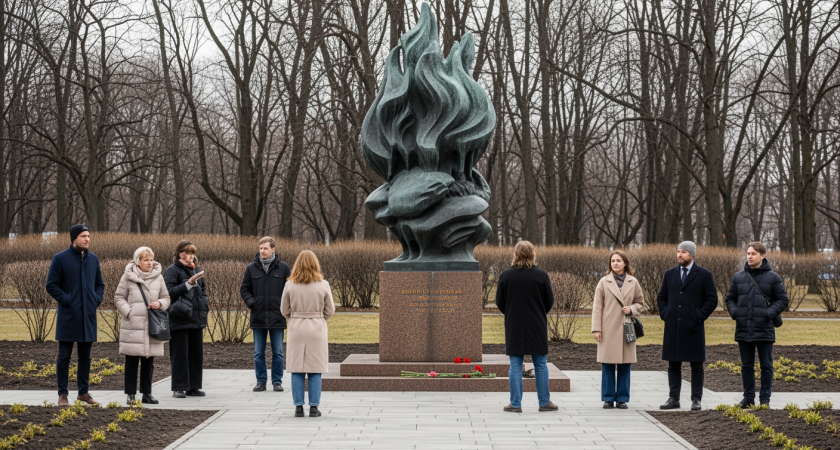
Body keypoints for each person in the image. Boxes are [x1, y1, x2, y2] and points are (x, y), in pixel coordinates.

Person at [46, 224, 105, 407]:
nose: (87, 239)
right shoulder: (60, 259)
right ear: (74, 239)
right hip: (69, 316)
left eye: (88, 236)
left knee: (85, 358)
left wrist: (95, 299)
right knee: (64, 357)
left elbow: (99, 285)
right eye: (83, 236)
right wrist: (68, 300)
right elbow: (51, 285)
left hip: (88, 316)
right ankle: (62, 395)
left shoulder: (93, 259)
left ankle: (83, 393)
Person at [495, 241, 557, 413]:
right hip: (536, 323)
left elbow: (500, 301)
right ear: (533, 254)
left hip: (514, 324)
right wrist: (538, 312)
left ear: (515, 254)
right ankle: (544, 402)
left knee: (515, 365)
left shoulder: (506, 275)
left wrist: (510, 313)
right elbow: (549, 301)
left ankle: (515, 404)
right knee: (540, 364)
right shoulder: (541, 275)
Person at [725, 242, 789, 407]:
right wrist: (735, 312)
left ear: (762, 256)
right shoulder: (739, 277)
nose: (750, 256)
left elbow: (783, 300)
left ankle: (764, 400)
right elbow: (729, 298)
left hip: (764, 329)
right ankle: (748, 398)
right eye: (748, 253)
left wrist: (768, 314)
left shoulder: (773, 277)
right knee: (746, 366)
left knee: (766, 366)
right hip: (743, 328)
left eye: (753, 253)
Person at [657, 241, 718, 411]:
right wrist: (666, 314)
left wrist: (698, 316)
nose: (679, 255)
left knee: (696, 365)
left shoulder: (704, 275)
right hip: (673, 327)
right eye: (678, 251)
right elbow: (662, 297)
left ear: (691, 254)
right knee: (673, 364)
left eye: (683, 252)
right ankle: (673, 398)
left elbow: (712, 299)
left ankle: (696, 399)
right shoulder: (669, 274)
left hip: (694, 327)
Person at [281, 250, 335, 418]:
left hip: (297, 326)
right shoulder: (323, 284)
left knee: (297, 369)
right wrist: (318, 318)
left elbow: (284, 309)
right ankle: (314, 407)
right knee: (315, 370)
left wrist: (295, 317)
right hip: (316, 327)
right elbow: (330, 309)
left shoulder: (290, 285)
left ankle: (298, 407)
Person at [114, 247, 170, 404]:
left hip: (152, 325)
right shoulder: (128, 277)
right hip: (133, 325)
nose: (150, 263)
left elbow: (166, 297)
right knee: (131, 362)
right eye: (146, 260)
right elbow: (119, 297)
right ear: (138, 261)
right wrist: (129, 312)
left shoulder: (159, 278)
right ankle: (130, 394)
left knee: (149, 362)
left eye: (151, 259)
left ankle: (147, 393)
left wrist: (159, 303)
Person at [591, 250, 645, 409]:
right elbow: (597, 307)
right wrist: (596, 329)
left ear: (625, 263)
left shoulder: (633, 282)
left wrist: (631, 309)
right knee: (607, 364)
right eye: (613, 261)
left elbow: (641, 304)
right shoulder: (603, 282)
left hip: (626, 328)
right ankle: (608, 398)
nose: (615, 263)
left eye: (618, 261)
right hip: (607, 328)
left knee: (625, 364)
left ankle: (622, 398)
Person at [241, 236, 291, 392]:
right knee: (258, 352)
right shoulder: (251, 268)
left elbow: (290, 291)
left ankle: (277, 381)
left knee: (278, 352)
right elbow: (244, 289)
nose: (262, 251)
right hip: (259, 316)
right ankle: (261, 381)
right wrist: (252, 303)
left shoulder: (283, 268)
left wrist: (284, 307)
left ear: (273, 249)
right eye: (260, 248)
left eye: (265, 248)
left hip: (277, 316)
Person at [164, 240, 209, 398]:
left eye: (192, 253)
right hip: (179, 317)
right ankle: (179, 387)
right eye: (186, 253)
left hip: (195, 317)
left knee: (196, 354)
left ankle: (193, 386)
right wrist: (188, 285)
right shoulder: (172, 270)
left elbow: (202, 291)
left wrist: (205, 306)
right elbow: (168, 292)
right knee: (180, 354)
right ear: (179, 254)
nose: (190, 256)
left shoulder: (196, 269)